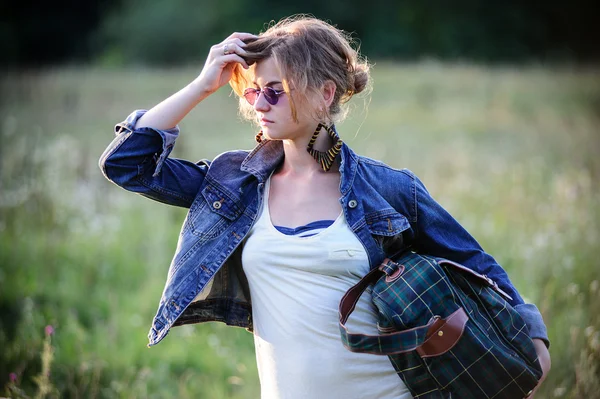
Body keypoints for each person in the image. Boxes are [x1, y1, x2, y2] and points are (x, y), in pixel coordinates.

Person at [99, 15, 550, 399]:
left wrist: (534, 339)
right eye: (254, 91)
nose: (260, 104)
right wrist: (201, 85)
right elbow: (126, 164)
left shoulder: (388, 189)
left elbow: (479, 267)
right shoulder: (234, 185)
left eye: (275, 90)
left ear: (325, 94)